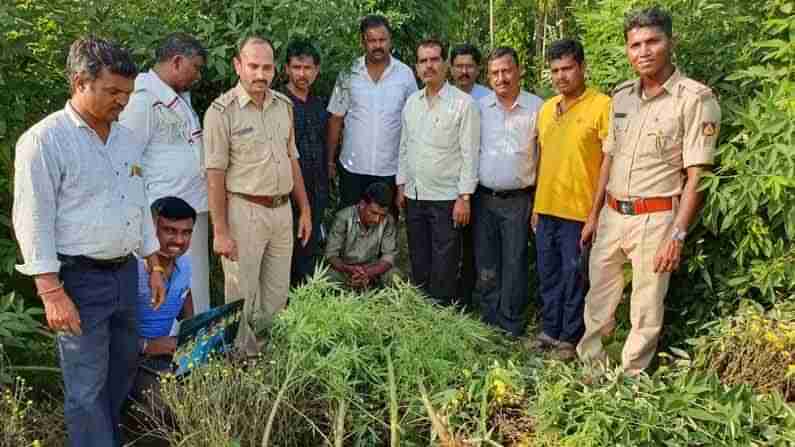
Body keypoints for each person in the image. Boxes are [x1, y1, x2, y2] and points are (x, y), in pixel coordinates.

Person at [12, 37, 165, 447]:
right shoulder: (44, 142)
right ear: (80, 81)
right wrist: (51, 292)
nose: (122, 102)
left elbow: (138, 201)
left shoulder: (127, 139)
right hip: (77, 281)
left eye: (127, 94)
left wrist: (153, 262)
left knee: (123, 371)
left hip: (123, 275)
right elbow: (32, 221)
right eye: (112, 91)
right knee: (85, 389)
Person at [577, 7, 721, 375]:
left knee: (645, 310)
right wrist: (594, 215)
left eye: (652, 41)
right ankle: (592, 375)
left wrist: (677, 234)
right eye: (635, 44)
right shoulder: (622, 98)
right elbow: (608, 160)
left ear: (670, 43)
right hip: (612, 215)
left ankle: (630, 384)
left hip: (656, 219)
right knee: (597, 303)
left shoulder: (694, 99)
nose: (643, 51)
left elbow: (697, 176)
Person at [204, 36, 312, 358]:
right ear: (238, 66)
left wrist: (304, 208)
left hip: (281, 213)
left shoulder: (284, 106)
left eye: (266, 67)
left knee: (277, 296)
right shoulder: (221, 113)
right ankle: (241, 364)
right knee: (242, 297)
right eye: (253, 66)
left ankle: (268, 363)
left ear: (275, 69)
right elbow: (215, 175)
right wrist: (220, 231)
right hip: (244, 211)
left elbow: (292, 159)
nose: (260, 74)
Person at [119, 33, 211, 314]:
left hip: (191, 208)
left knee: (192, 283)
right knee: (165, 286)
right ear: (177, 61)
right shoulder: (142, 100)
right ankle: (162, 346)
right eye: (195, 67)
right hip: (163, 214)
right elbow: (126, 161)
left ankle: (194, 346)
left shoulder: (179, 97)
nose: (197, 75)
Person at [532, 39, 611, 359]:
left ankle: (569, 337)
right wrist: (536, 206)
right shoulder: (546, 108)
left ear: (582, 67)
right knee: (548, 273)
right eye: (555, 70)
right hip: (547, 208)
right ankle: (550, 331)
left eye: (567, 68)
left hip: (580, 211)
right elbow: (543, 158)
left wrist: (595, 214)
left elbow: (609, 161)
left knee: (574, 276)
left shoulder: (601, 105)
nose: (561, 76)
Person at [397, 38, 479, 305]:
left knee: (444, 265)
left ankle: (441, 320)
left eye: (434, 60)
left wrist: (464, 197)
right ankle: (422, 316)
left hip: (447, 199)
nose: (429, 66)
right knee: (419, 260)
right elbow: (404, 147)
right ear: (416, 67)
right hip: (414, 196)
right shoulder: (411, 103)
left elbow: (470, 154)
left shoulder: (464, 104)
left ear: (445, 65)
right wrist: (401, 186)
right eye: (423, 61)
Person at [473, 47, 543, 336]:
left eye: (506, 70)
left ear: (518, 71)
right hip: (484, 197)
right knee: (486, 261)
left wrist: (539, 203)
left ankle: (510, 323)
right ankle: (489, 321)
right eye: (495, 73)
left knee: (514, 262)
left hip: (519, 199)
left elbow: (545, 156)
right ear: (488, 77)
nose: (501, 78)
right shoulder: (479, 108)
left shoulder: (538, 108)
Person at [327, 14, 418, 208]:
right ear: (363, 42)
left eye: (382, 40)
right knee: (350, 226)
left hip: (389, 170)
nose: (378, 45)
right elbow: (336, 119)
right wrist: (330, 161)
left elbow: (414, 124)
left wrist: (410, 170)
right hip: (352, 168)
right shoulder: (348, 73)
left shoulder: (405, 75)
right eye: (372, 40)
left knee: (385, 228)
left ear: (390, 40)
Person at [129, 196, 195, 419]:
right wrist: (146, 345)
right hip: (128, 359)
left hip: (165, 356)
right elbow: (107, 329)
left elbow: (185, 294)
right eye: (169, 230)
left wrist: (193, 329)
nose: (178, 240)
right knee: (174, 405)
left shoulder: (185, 263)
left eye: (186, 232)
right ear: (149, 230)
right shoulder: (131, 268)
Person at [281, 39, 329, 285]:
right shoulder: (278, 102)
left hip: (316, 191)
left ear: (316, 70)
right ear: (287, 68)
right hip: (285, 195)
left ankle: (305, 311)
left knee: (308, 255)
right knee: (284, 257)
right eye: (297, 67)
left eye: (308, 68)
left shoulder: (319, 104)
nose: (302, 73)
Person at [450, 42, 491, 310]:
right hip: (449, 185)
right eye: (459, 66)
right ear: (450, 68)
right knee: (451, 244)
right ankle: (454, 298)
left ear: (478, 69)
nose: (464, 71)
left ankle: (473, 298)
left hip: (481, 187)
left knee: (476, 246)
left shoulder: (487, 99)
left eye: (469, 66)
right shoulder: (441, 96)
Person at [324, 182, 400, 289]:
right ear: (362, 204)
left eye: (382, 215)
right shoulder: (343, 217)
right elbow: (331, 255)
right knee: (329, 276)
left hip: (373, 272)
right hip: (346, 271)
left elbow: (388, 258)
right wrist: (348, 269)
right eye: (373, 213)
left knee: (394, 275)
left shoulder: (388, 221)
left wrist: (367, 273)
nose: (377, 219)